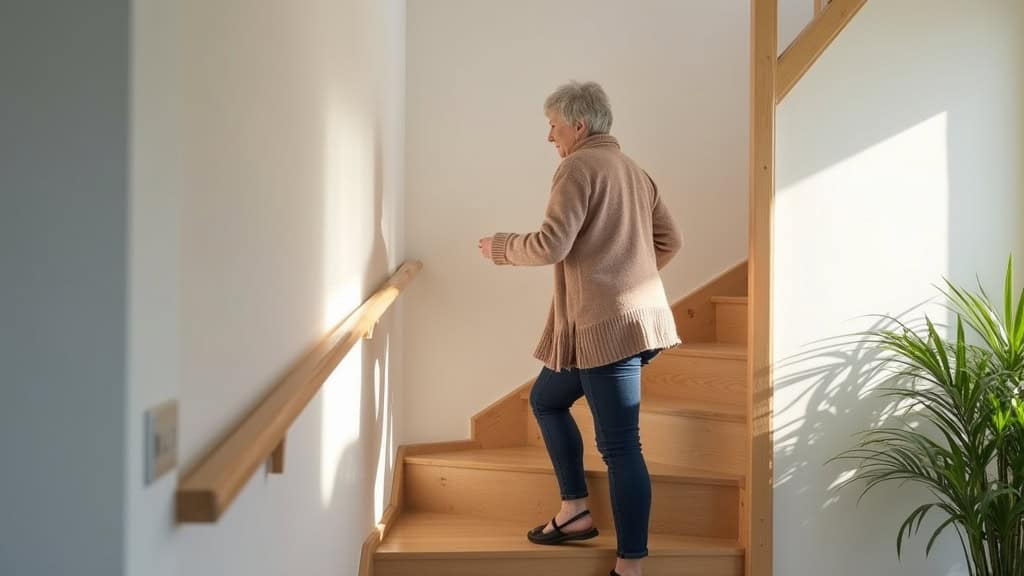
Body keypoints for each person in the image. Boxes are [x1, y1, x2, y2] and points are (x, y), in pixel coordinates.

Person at [478, 80, 683, 576]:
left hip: (607, 331)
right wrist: (625, 272)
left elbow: (551, 244)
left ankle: (630, 564)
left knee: (620, 448)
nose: (550, 138)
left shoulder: (577, 166)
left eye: (552, 126)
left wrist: (501, 247)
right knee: (546, 399)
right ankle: (575, 510)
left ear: (579, 125)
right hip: (638, 323)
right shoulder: (634, 170)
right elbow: (670, 241)